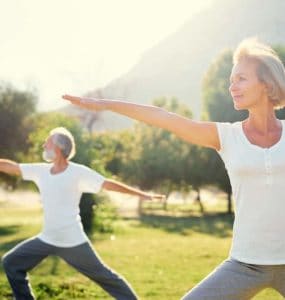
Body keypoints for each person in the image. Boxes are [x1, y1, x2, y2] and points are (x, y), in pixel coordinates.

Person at [62, 38, 285, 299]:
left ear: (267, 84)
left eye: (241, 79)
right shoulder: (226, 136)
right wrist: (107, 104)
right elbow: (163, 118)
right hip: (245, 263)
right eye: (231, 80)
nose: (231, 87)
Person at [1, 127, 164, 300]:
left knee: (107, 278)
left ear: (58, 148)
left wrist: (143, 195)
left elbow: (108, 184)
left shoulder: (77, 172)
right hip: (47, 239)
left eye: (47, 142)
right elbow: (11, 167)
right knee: (11, 262)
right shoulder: (41, 171)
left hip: (73, 242)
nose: (43, 145)